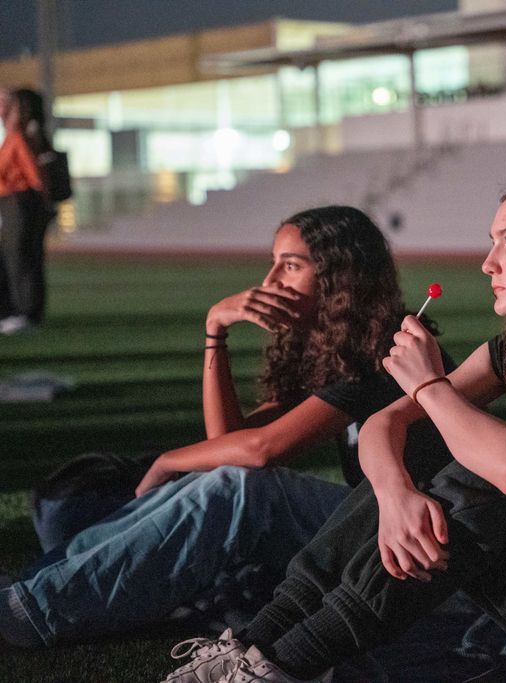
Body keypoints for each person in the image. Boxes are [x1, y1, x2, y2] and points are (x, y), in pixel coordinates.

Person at [159, 173, 506, 683]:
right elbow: (383, 423)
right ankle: (254, 645)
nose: (490, 263)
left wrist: (427, 386)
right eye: (492, 243)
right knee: (412, 461)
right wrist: (395, 493)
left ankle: (284, 667)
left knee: (480, 466)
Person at [0, 206, 456, 651]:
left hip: (424, 544)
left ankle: (35, 612)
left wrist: (166, 462)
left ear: (340, 278)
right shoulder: (338, 349)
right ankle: (33, 587)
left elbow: (260, 451)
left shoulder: (392, 350)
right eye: (273, 264)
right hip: (369, 527)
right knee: (228, 478)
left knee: (243, 488)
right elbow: (226, 444)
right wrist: (215, 329)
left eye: (290, 266)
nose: (271, 281)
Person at [0, 88, 53, 334]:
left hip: (19, 202)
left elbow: (34, 177)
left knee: (20, 258)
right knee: (15, 258)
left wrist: (43, 203)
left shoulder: (18, 138)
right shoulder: (12, 136)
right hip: (13, 202)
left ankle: (25, 313)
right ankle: (18, 311)